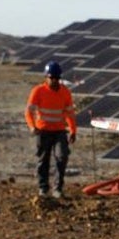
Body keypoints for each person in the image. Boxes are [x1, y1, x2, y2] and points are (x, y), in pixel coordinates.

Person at [25, 60, 77, 199]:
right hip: (43, 131)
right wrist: (32, 126)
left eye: (57, 78)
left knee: (62, 157)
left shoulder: (65, 92)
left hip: (59, 131)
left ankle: (58, 188)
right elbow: (28, 112)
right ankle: (43, 188)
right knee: (43, 160)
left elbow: (69, 113)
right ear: (46, 77)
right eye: (51, 78)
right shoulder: (38, 91)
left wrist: (73, 130)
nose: (54, 81)